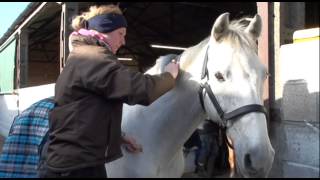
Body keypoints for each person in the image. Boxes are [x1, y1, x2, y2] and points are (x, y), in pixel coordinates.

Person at [39, 4, 179, 178]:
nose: (123, 41)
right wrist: (169, 76)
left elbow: (86, 114)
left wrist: (119, 137)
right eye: (121, 34)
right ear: (104, 30)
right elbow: (138, 88)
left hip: (77, 161)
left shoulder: (84, 56)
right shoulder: (91, 58)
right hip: (76, 168)